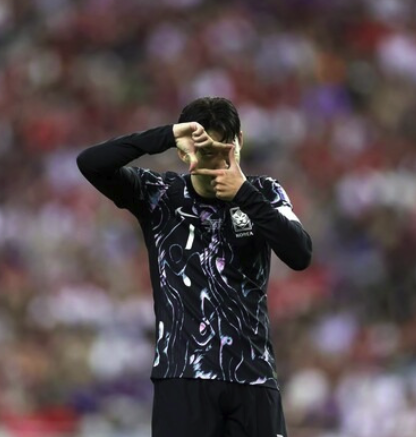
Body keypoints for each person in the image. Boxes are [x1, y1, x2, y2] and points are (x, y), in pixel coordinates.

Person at [77, 96, 312, 437]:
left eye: (225, 147)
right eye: (206, 150)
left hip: (254, 376)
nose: (217, 160)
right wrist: (167, 135)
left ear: (240, 141)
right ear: (185, 151)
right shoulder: (159, 194)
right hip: (183, 376)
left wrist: (244, 194)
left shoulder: (265, 192)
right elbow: (91, 163)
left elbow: (300, 254)